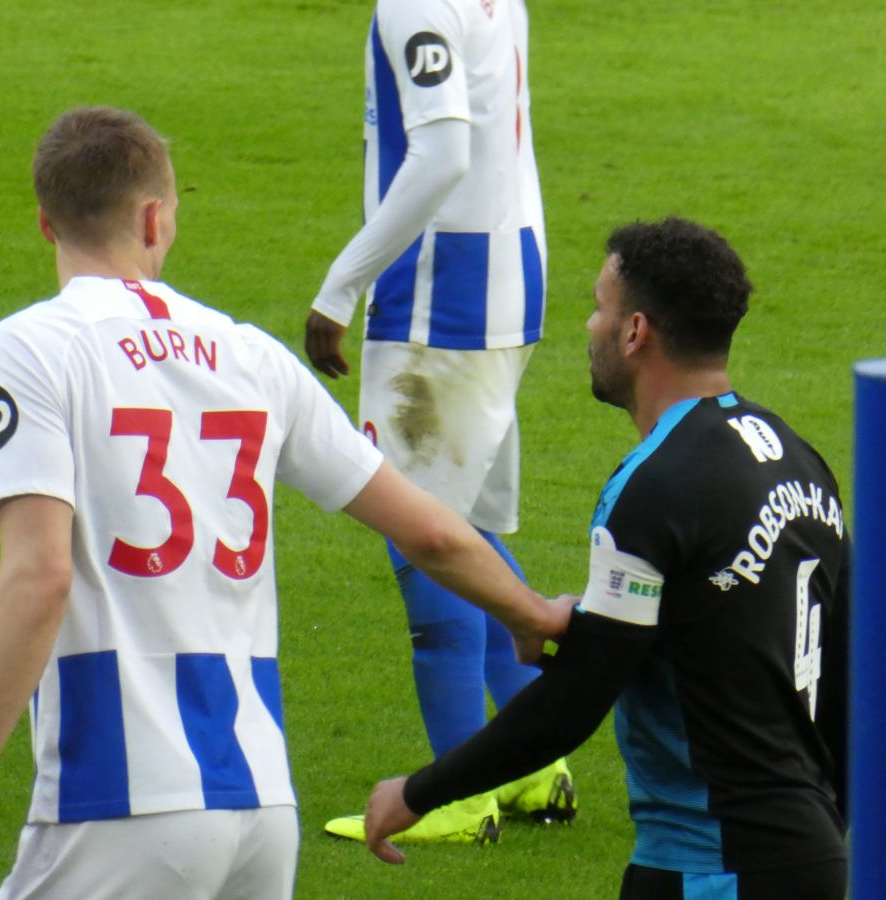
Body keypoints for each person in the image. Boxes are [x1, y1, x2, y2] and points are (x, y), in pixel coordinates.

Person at [0, 106, 574, 900]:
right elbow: (434, 534)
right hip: (261, 805)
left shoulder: (29, 347)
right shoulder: (250, 356)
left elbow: (40, 576)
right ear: (155, 216)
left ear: (44, 223)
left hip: (117, 799)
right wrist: (531, 614)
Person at [363, 217, 850, 899]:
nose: (590, 325)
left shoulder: (655, 484)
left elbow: (576, 700)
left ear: (636, 332)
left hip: (710, 867)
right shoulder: (802, 463)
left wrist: (421, 791)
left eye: (600, 307)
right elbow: (830, 671)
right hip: (812, 855)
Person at [308, 0, 574, 842]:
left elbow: (444, 149)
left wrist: (341, 285)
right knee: (471, 535)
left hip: (439, 299)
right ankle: (533, 768)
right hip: (508, 277)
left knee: (424, 544)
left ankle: (456, 798)